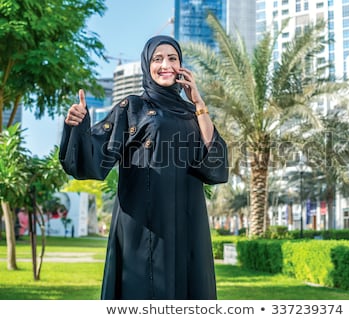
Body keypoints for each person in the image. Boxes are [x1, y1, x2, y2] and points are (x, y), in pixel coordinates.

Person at [59, 35, 229, 300]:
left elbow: (215, 162)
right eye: (157, 59)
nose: (166, 65)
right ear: (146, 65)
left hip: (187, 220)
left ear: (182, 66)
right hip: (142, 225)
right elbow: (94, 155)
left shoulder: (192, 112)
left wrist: (199, 103)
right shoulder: (133, 107)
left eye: (172, 59)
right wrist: (78, 125)